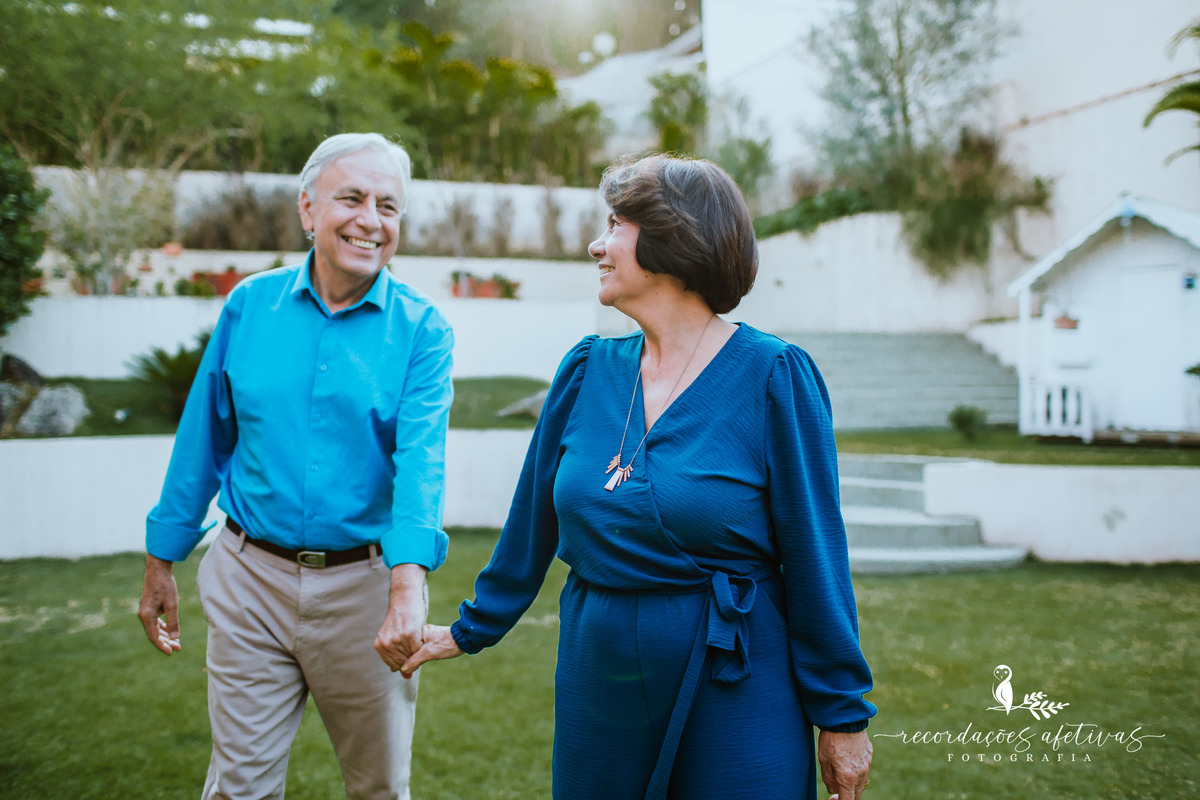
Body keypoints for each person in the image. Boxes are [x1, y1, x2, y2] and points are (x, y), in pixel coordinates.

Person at [404, 154, 875, 800]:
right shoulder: (585, 371)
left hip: (735, 679)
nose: (597, 244)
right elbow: (530, 526)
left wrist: (842, 714)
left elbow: (816, 551)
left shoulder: (774, 376)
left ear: (673, 236)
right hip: (599, 682)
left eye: (615, 223)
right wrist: (472, 627)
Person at [136, 133, 455, 800]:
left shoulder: (424, 330)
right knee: (238, 789)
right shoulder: (249, 305)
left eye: (389, 206)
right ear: (308, 210)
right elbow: (203, 436)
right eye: (353, 198)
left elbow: (421, 463)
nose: (371, 219)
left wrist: (406, 589)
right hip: (249, 579)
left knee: (378, 789)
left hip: (366, 590)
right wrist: (162, 555)